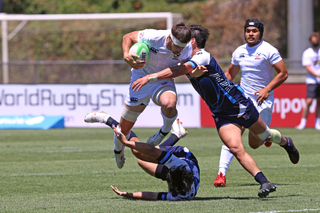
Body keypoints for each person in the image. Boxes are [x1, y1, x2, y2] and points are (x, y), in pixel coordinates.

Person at [131, 24, 300, 198]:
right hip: (221, 114)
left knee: (265, 137)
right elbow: (178, 66)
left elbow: (180, 70)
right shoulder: (184, 58)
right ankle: (264, 182)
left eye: (185, 41)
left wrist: (149, 77)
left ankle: (287, 143)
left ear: (193, 40)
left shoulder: (202, 56)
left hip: (239, 105)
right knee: (235, 148)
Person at [213, 18, 289, 187]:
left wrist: (267, 89)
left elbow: (283, 73)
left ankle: (279, 139)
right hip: (242, 100)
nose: (250, 34)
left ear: (260, 33)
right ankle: (221, 174)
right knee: (233, 137)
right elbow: (230, 74)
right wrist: (218, 88)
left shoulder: (269, 50)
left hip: (263, 101)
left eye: (254, 31)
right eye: (248, 31)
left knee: (254, 144)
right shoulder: (239, 51)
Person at [110, 22, 193, 169]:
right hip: (139, 79)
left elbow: (178, 70)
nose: (179, 50)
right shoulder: (153, 36)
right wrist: (126, 55)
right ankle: (118, 151)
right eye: (177, 45)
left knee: (169, 104)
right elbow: (127, 37)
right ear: (169, 37)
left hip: (162, 81)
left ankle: (165, 131)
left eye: (182, 46)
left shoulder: (187, 49)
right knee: (123, 130)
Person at [84, 111, 200, 201]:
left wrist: (129, 195)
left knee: (141, 161)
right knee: (138, 152)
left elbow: (154, 196)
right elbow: (150, 150)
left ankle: (176, 134)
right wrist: (126, 143)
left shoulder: (178, 195)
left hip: (182, 171)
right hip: (183, 155)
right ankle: (107, 119)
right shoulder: (178, 165)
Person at [295, 32, 320, 130]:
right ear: (310, 42)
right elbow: (308, 67)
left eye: (316, 41)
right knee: (309, 102)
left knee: (319, 102)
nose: (315, 42)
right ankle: (303, 123)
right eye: (313, 41)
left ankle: (318, 123)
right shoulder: (307, 53)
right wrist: (317, 75)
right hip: (312, 81)